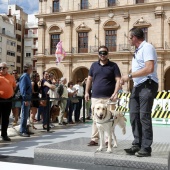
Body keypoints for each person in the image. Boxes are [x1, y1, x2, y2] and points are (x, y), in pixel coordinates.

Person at [120, 28, 158, 157]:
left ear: (134, 37)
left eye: (129, 38)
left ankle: (146, 147)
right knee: (134, 115)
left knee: (144, 116)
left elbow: (149, 68)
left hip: (147, 85)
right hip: (138, 86)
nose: (129, 40)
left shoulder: (147, 47)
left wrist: (129, 76)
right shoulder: (138, 50)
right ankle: (137, 144)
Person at [85, 45, 121, 146]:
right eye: (100, 53)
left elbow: (118, 80)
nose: (102, 55)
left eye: (104, 53)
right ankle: (94, 139)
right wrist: (86, 92)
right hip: (95, 96)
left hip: (109, 97)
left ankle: (107, 139)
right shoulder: (93, 65)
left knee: (109, 119)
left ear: (107, 53)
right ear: (98, 54)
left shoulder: (113, 66)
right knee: (95, 118)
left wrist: (115, 93)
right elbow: (89, 79)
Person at [0, 62, 16, 141]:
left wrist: (12, 93)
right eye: (0, 68)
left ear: (7, 69)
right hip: (0, 100)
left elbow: (14, 86)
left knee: (6, 118)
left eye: (3, 68)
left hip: (8, 100)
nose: (1, 69)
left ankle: (4, 135)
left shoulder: (11, 77)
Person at [19, 64, 33, 137]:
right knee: (24, 115)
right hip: (26, 98)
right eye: (31, 68)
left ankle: (25, 129)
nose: (32, 69)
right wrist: (25, 99)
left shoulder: (27, 76)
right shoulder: (24, 76)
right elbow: (22, 89)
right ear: (28, 69)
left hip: (28, 97)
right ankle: (22, 130)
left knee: (26, 115)